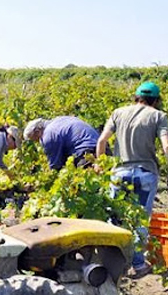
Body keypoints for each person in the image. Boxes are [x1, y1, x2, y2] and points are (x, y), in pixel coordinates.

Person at [96, 81, 168, 278]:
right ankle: (138, 264)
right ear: (156, 100)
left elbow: (102, 141)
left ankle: (110, 263)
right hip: (145, 174)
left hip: (119, 174)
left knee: (114, 219)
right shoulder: (159, 116)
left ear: (136, 96)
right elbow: (166, 147)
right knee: (140, 221)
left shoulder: (118, 113)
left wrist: (100, 165)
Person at [23, 116, 99, 170]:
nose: (39, 142)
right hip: (101, 146)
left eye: (36, 139)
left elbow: (56, 165)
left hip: (86, 153)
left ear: (37, 132)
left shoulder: (48, 135)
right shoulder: (60, 119)